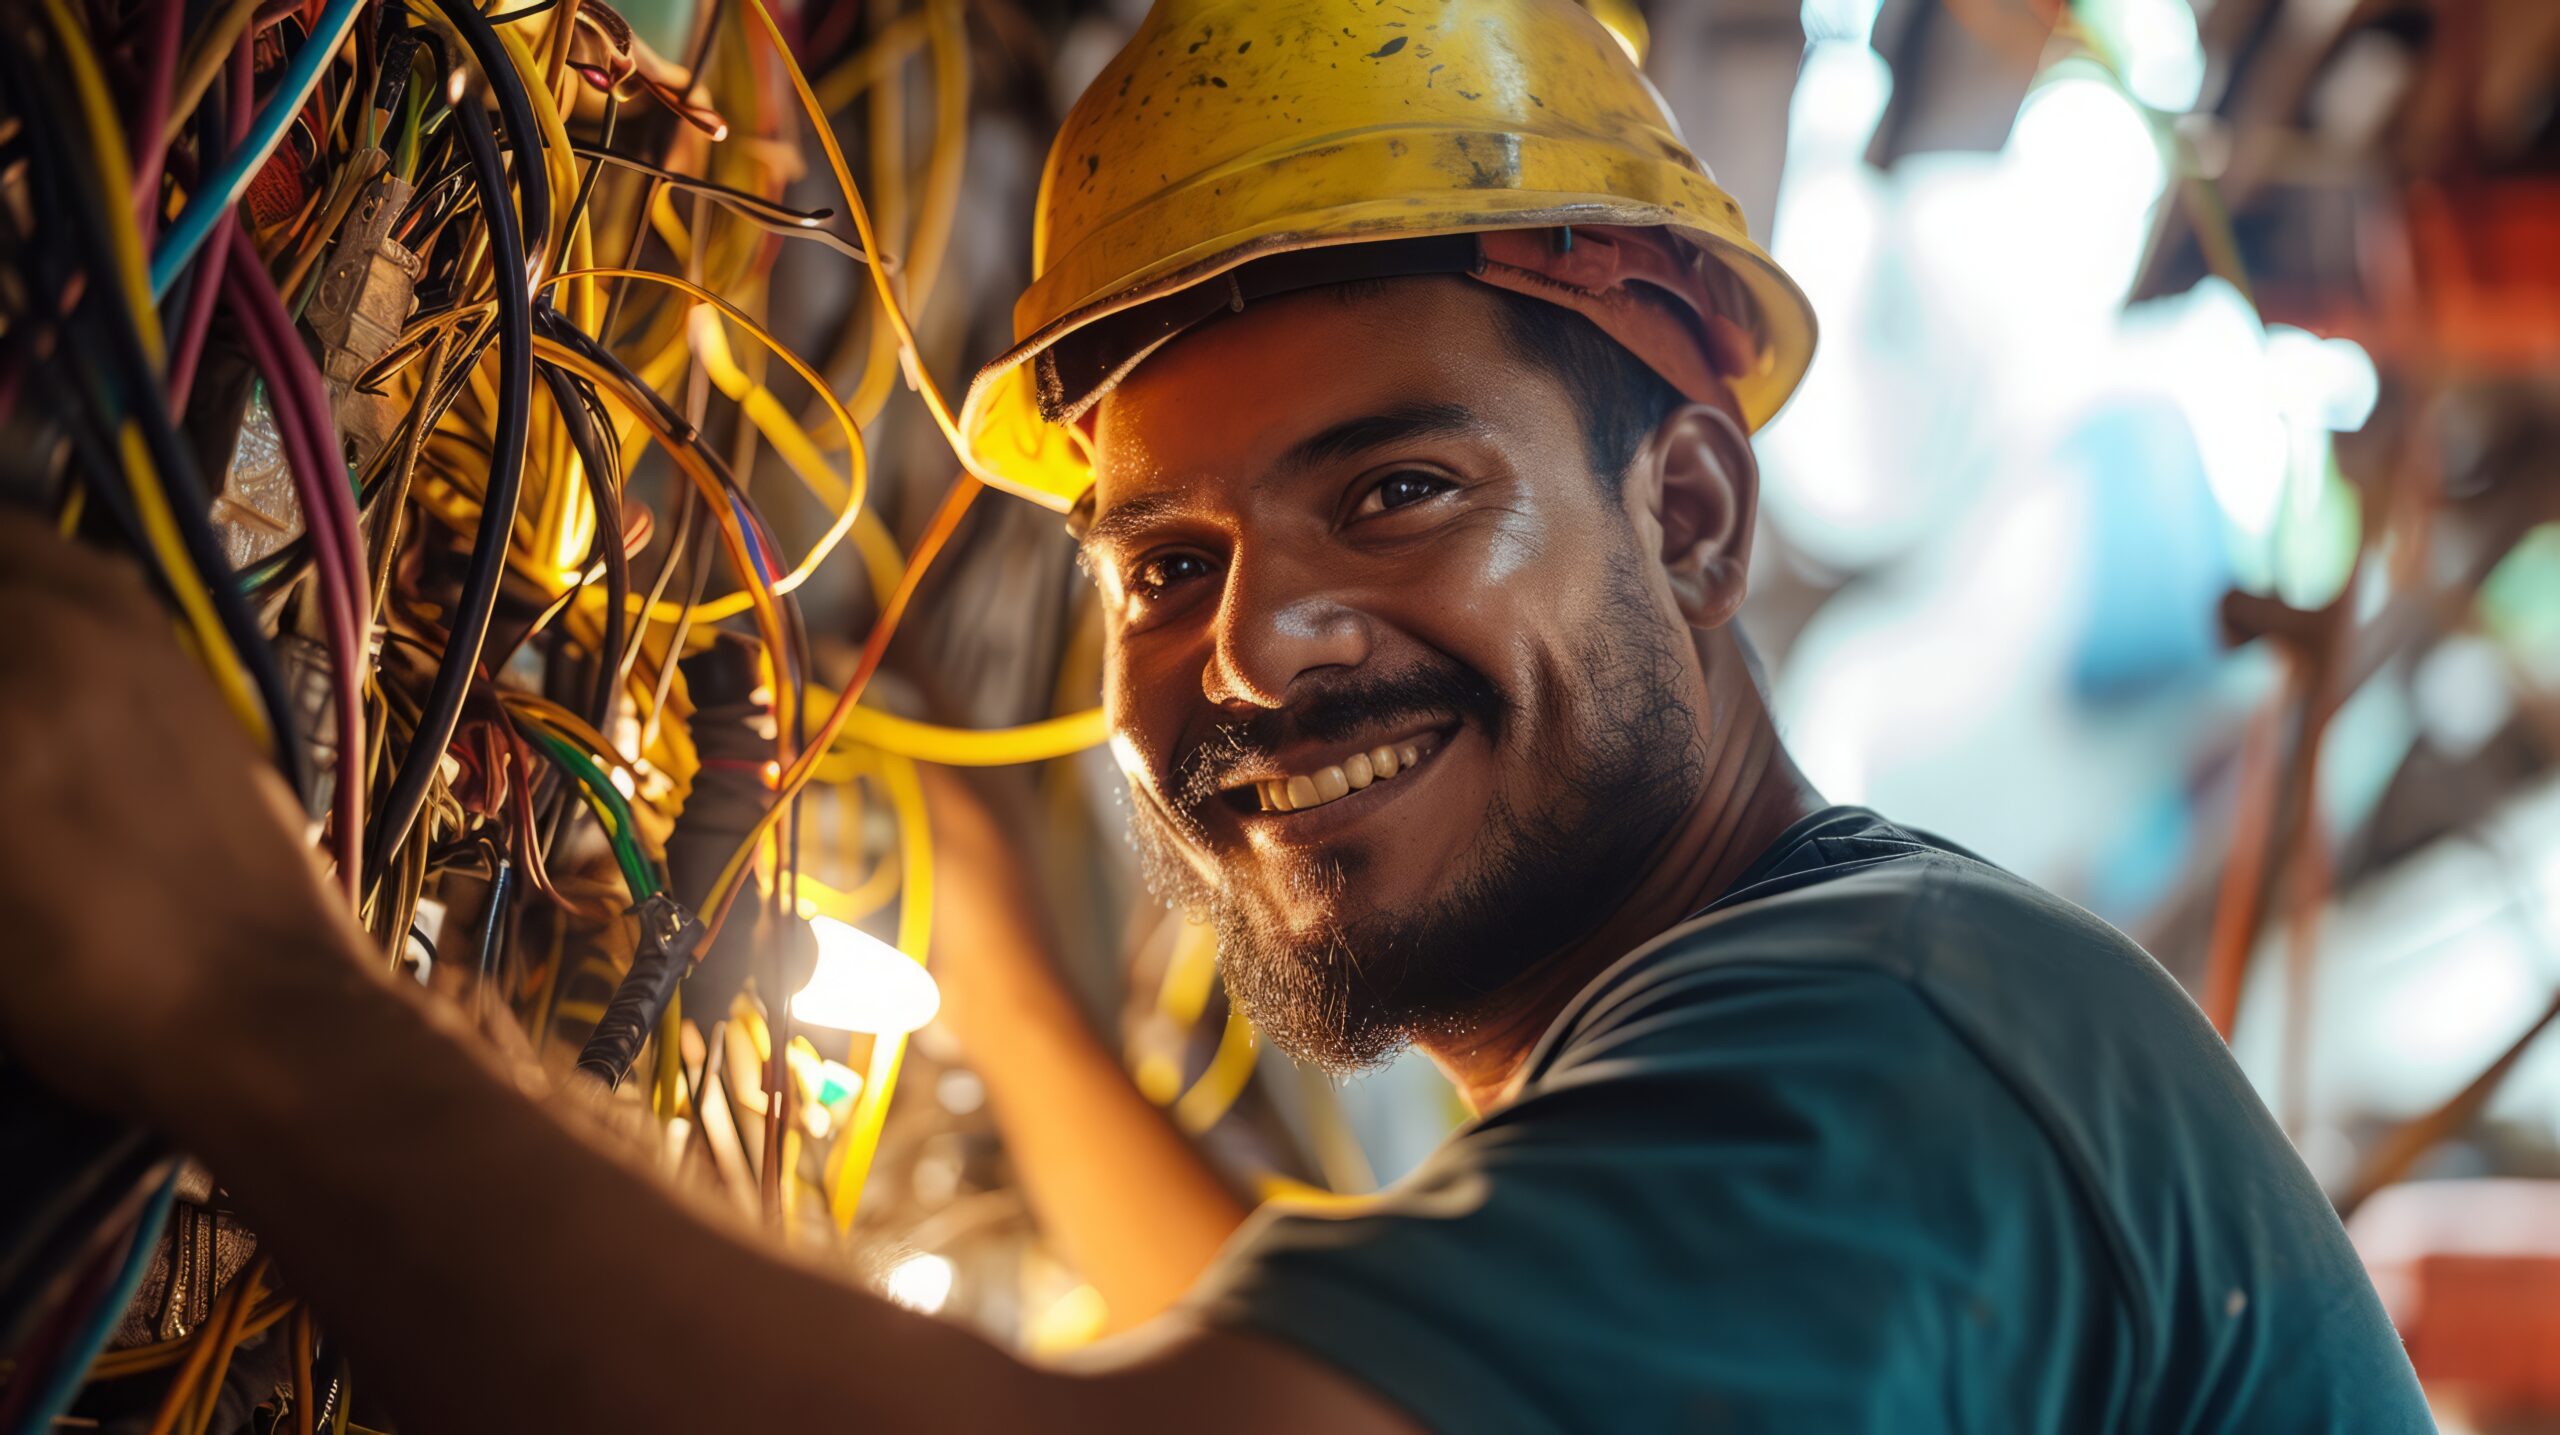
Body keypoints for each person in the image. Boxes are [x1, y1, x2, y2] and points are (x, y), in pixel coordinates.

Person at [0, 1, 2431, 1430]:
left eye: (1394, 486)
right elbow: (1313, 1329)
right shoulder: (1834, 1015)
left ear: (1688, 512)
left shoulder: (1892, 1055)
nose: (1255, 647)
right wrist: (1017, 978)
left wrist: (245, 993)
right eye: (1165, 564)